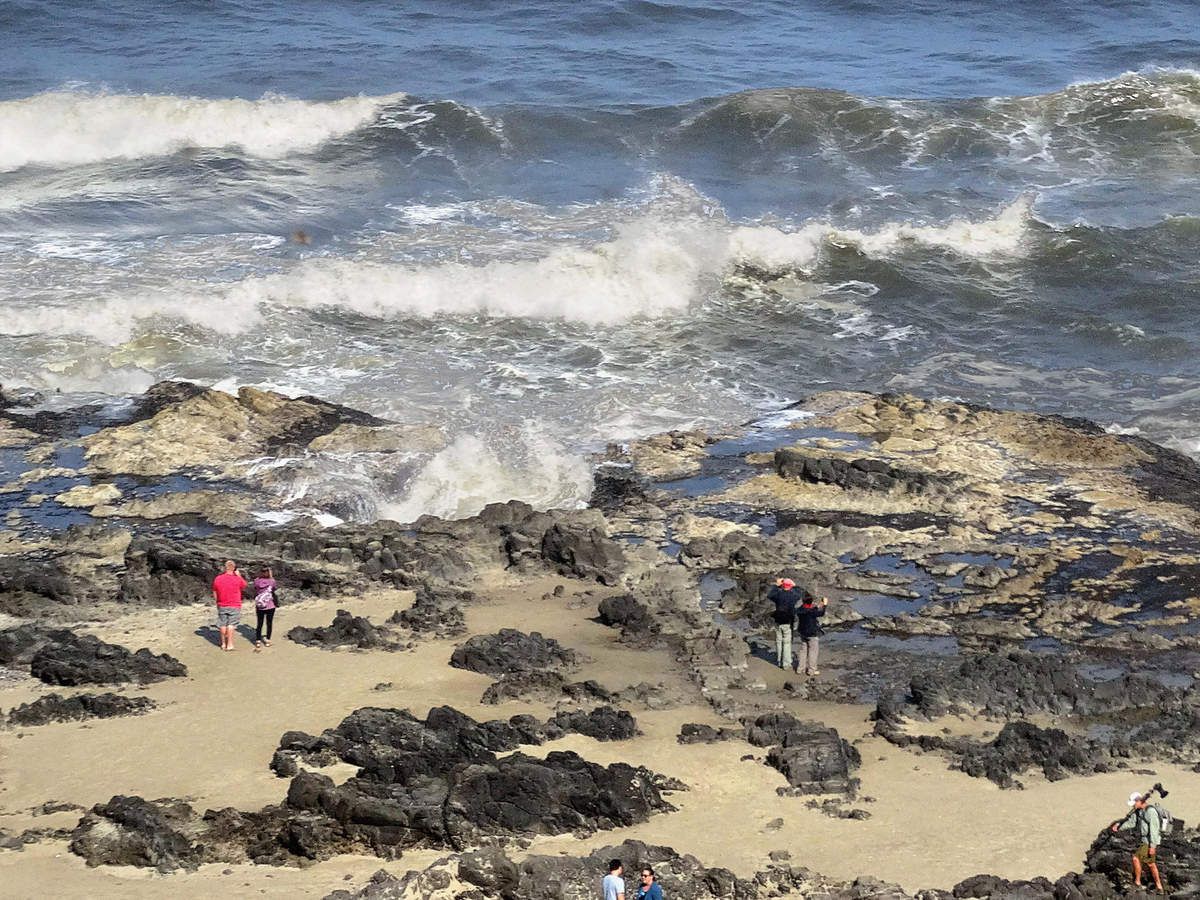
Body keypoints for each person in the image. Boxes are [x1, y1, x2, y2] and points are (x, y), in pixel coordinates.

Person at [1111, 791, 1165, 893]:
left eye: (1134, 803)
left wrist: (1152, 846)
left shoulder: (1150, 812)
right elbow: (1131, 823)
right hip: (1144, 840)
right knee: (1148, 863)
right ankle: (1154, 885)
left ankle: (1143, 884)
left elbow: (1154, 830)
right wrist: (1119, 826)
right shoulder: (1139, 811)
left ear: (1139, 801)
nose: (1133, 806)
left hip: (1149, 841)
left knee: (1140, 860)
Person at [212, 560, 247, 652]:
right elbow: (244, 585)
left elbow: (214, 591)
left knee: (222, 624)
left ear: (225, 567)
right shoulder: (237, 578)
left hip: (222, 603)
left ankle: (223, 643)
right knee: (231, 624)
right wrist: (239, 575)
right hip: (234, 604)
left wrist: (217, 602)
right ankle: (230, 644)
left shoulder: (218, 578)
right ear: (234, 568)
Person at [768, 577, 801, 669]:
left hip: (778, 620)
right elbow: (799, 593)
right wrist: (795, 585)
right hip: (788, 620)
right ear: (790, 586)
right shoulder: (793, 595)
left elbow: (770, 595)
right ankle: (786, 663)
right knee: (786, 642)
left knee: (779, 641)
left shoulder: (778, 594)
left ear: (783, 586)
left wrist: (776, 585)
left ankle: (779, 661)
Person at [794, 591, 828, 675]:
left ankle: (800, 668)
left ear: (803, 601)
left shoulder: (800, 610)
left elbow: (809, 609)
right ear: (811, 602)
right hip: (812, 633)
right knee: (813, 651)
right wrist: (825, 605)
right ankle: (811, 670)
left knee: (803, 650)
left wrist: (818, 606)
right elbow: (821, 613)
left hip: (802, 631)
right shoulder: (811, 611)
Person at [253, 566, 279, 650]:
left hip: (260, 605)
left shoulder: (256, 581)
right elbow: (274, 589)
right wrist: (270, 576)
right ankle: (267, 641)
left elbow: (255, 588)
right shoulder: (272, 581)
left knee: (259, 624)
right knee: (269, 623)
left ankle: (258, 641)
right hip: (270, 605)